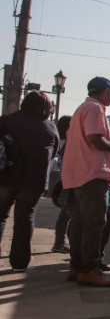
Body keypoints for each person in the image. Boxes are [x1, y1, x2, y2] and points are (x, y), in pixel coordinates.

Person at [63, 77, 110, 287]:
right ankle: (89, 269)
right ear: (105, 91)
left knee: (80, 223)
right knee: (95, 223)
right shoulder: (95, 108)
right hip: (92, 172)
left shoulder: (81, 109)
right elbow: (94, 138)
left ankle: (77, 266)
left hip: (79, 173)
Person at [0, 91, 59, 271]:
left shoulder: (6, 121)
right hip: (33, 181)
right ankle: (19, 262)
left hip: (5, 177)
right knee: (25, 219)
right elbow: (53, 153)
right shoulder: (50, 128)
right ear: (46, 109)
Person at [50, 115, 73, 253]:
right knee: (67, 212)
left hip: (64, 175)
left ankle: (61, 241)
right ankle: (60, 242)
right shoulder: (67, 142)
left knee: (66, 212)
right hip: (68, 176)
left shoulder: (61, 141)